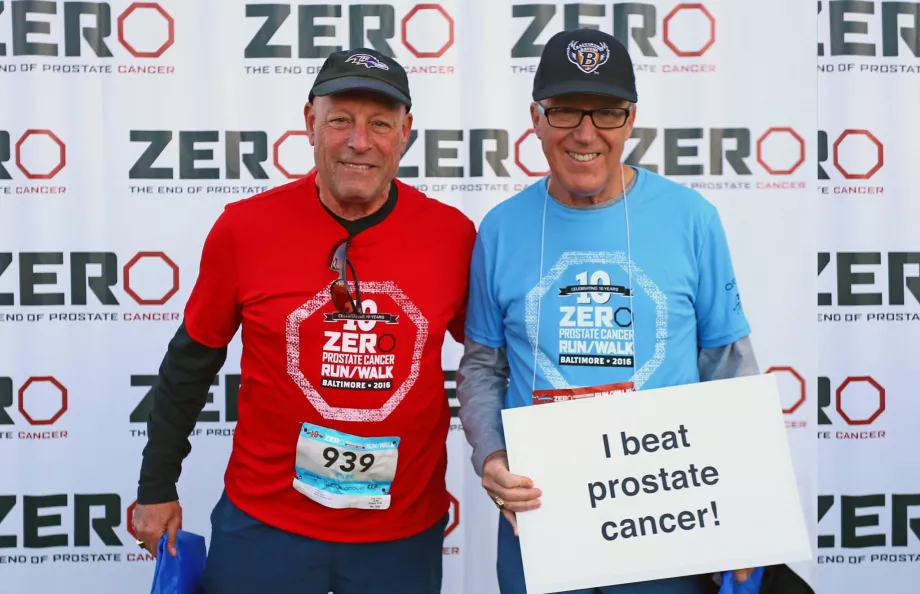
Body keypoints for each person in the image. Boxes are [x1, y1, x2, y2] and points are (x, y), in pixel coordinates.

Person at [131, 47, 477, 594]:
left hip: (400, 534)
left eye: (379, 123)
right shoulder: (245, 229)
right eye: (340, 120)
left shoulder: (453, 236)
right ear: (310, 122)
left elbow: (494, 362)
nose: (358, 141)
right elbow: (189, 364)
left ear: (406, 133)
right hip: (265, 528)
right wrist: (155, 487)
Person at [456, 29, 760, 594]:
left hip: (666, 523)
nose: (585, 133)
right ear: (536, 118)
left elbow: (729, 369)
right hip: (542, 523)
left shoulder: (691, 218)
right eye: (566, 110)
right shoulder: (500, 229)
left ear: (632, 119)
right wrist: (492, 458)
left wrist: (742, 509)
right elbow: (482, 367)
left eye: (607, 113)